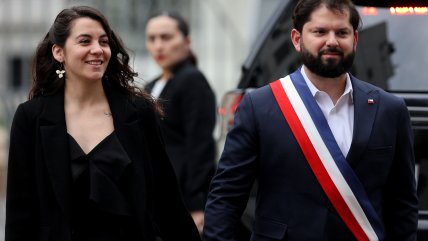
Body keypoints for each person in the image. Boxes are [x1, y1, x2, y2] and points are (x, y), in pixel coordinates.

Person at [203, 0, 418, 240]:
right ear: (297, 39)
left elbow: (403, 204)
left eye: (342, 32)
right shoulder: (259, 106)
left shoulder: (390, 109)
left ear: (355, 40)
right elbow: (226, 198)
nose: (332, 41)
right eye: (320, 31)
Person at [5, 6, 201, 241]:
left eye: (104, 42)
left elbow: (167, 199)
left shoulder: (138, 112)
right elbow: (20, 212)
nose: (97, 50)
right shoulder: (31, 118)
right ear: (59, 52)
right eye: (85, 41)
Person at [144, 12, 217, 234]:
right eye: (152, 38)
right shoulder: (152, 85)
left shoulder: (192, 80)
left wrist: (196, 204)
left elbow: (200, 146)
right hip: (156, 195)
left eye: (166, 37)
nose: (158, 46)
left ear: (187, 42)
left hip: (182, 198)